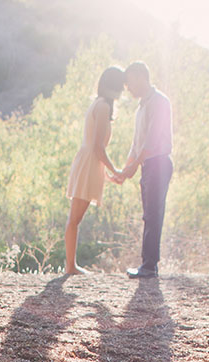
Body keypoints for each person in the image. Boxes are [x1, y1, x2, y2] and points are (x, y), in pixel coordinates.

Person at [114, 61, 173, 279]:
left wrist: (130, 169)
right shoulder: (142, 107)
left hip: (158, 162)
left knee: (153, 213)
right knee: (149, 214)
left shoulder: (159, 102)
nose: (127, 88)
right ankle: (148, 264)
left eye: (129, 82)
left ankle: (149, 266)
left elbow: (151, 142)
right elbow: (136, 144)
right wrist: (125, 169)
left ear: (140, 77)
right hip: (148, 164)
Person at [65, 66, 125, 275]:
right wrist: (115, 169)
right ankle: (70, 266)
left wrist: (106, 174)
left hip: (89, 162)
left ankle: (71, 265)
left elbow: (95, 147)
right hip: (89, 162)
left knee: (75, 219)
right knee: (74, 219)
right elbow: (98, 147)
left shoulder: (99, 105)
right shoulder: (102, 107)